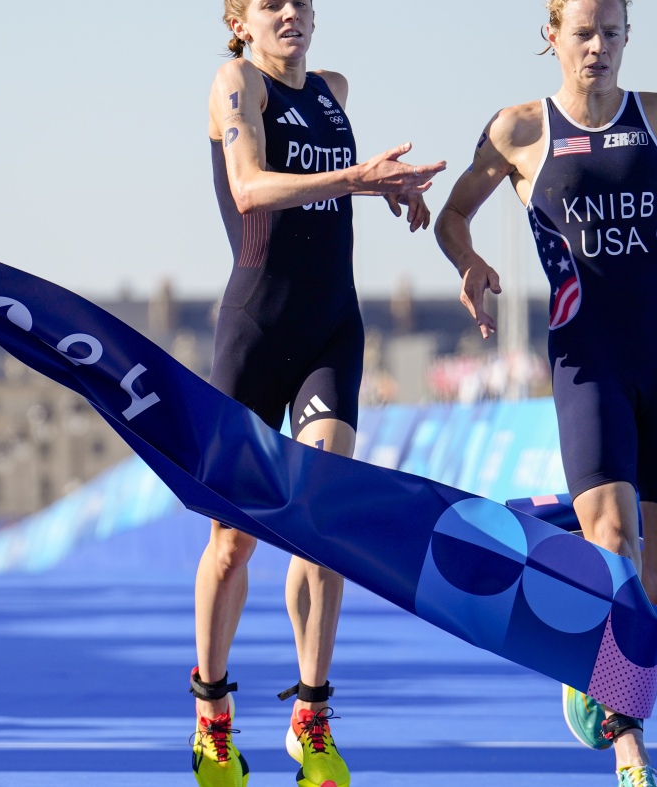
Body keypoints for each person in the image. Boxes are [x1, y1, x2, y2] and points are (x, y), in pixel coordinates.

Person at [434, 1, 657, 784]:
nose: (598, 47)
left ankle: (581, 595)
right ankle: (630, 749)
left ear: (627, 38)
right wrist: (471, 264)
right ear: (551, 36)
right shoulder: (518, 130)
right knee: (616, 541)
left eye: (612, 32)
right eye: (583, 32)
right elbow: (455, 214)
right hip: (585, 360)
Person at [195, 3, 445, 786]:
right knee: (233, 540)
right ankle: (212, 712)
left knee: (321, 521)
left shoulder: (333, 88)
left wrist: (391, 191)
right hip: (255, 333)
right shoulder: (236, 83)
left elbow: (338, 194)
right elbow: (247, 188)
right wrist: (359, 179)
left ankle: (311, 715)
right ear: (239, 18)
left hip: (332, 331)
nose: (291, 14)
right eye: (270, 4)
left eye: (301, 1)